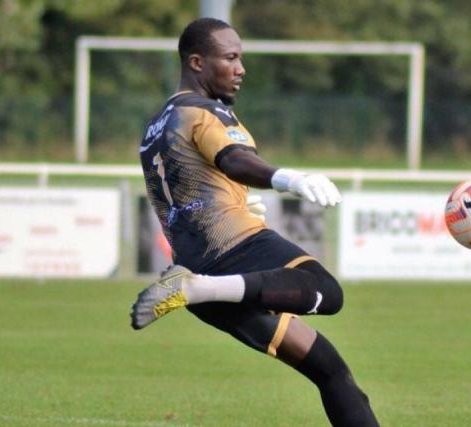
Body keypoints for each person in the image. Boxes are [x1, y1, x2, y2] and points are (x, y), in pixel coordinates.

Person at [131, 17, 379, 426]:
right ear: (196, 62)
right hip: (230, 254)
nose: (241, 68)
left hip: (200, 273)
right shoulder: (204, 111)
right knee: (326, 291)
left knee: (328, 369)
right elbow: (234, 159)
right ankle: (197, 288)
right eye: (230, 57)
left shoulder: (155, 125)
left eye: (241, 57)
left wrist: (240, 202)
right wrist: (288, 178)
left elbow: (190, 188)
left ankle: (198, 288)